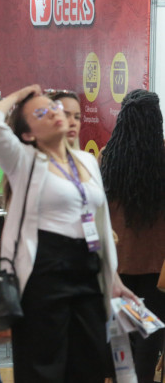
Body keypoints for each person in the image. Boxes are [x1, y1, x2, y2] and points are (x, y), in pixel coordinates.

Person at [0, 84, 136, 382]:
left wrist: (112, 277)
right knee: (43, 367)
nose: (54, 114)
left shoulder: (87, 161)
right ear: (27, 134)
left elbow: (100, 225)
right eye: (41, 113)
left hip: (88, 271)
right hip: (45, 272)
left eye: (54, 109)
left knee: (89, 364)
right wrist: (23, 94)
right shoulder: (24, 160)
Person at [99, 89, 165, 382]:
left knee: (122, 339)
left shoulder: (107, 158)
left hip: (118, 269)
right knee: (150, 341)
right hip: (157, 269)